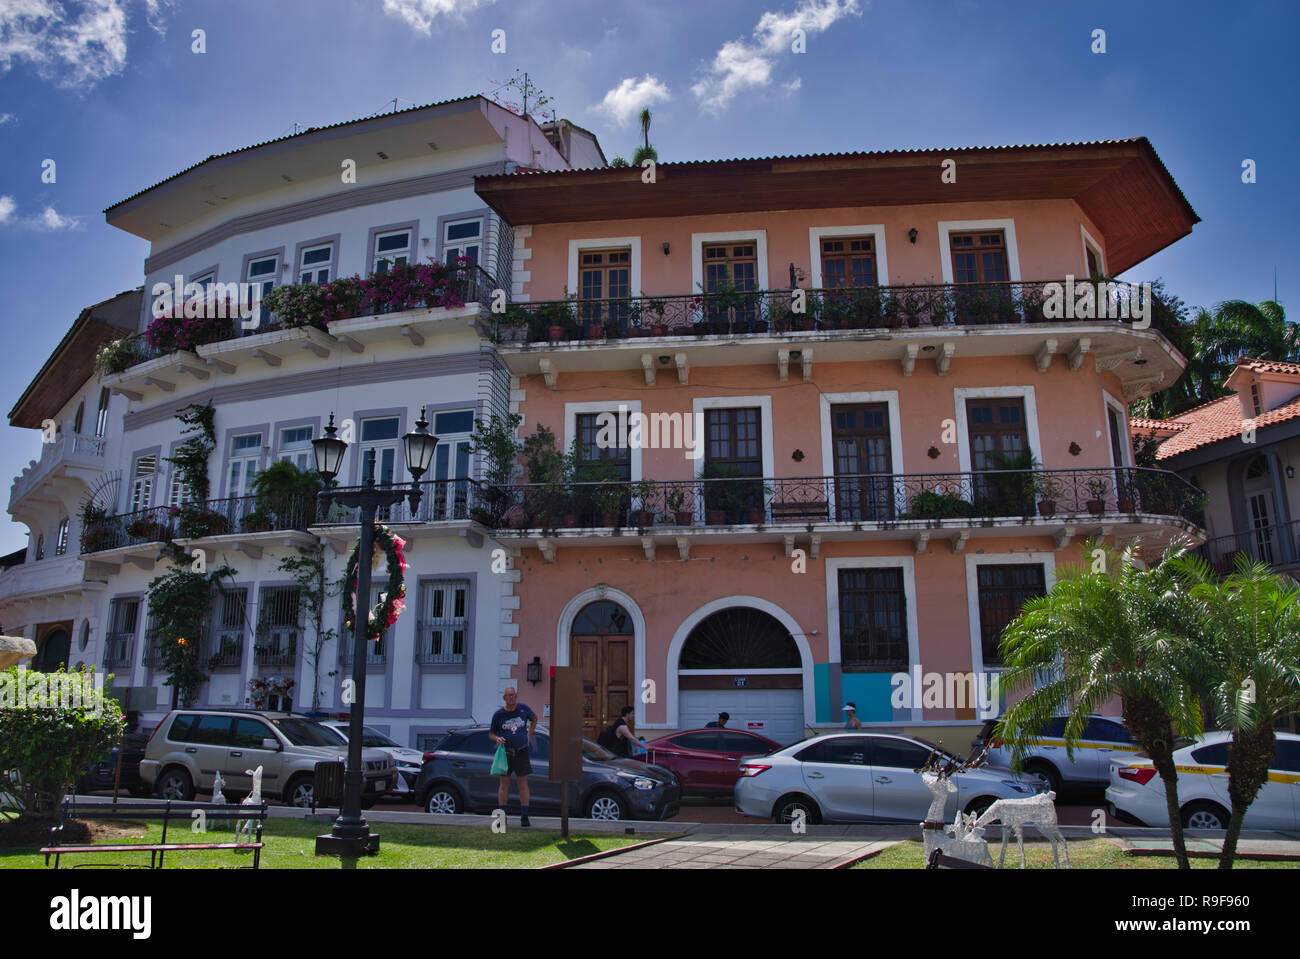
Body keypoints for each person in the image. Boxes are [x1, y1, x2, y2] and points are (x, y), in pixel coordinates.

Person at [489, 686, 538, 826]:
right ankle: (501, 817)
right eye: (508, 695)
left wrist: (529, 734)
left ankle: (524, 816)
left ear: (516, 696)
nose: (511, 698)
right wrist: (497, 739)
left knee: (523, 783)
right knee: (504, 784)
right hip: (506, 752)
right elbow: (491, 733)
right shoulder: (499, 715)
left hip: (521, 751)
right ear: (504, 698)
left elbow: (534, 718)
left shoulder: (523, 709)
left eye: (513, 695)